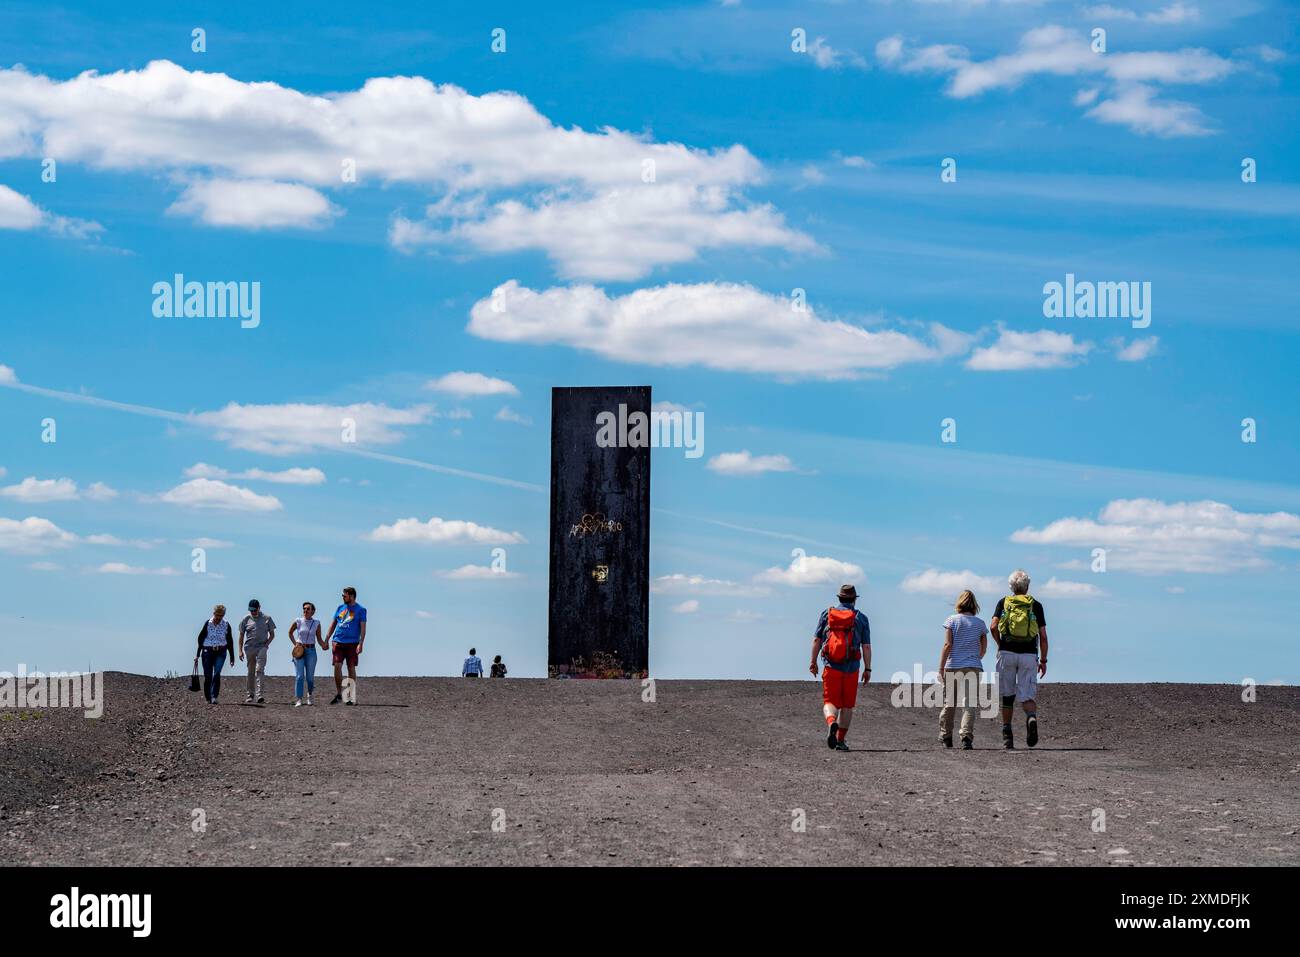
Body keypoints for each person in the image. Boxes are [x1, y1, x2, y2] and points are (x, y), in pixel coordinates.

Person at [990, 569, 1049, 750]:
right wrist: (1044, 660)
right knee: (1027, 694)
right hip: (1029, 655)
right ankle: (1031, 717)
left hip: (1007, 653)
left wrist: (1000, 644)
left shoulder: (1003, 603)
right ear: (1027, 586)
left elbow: (993, 627)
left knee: (1007, 695)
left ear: (1011, 586)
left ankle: (1007, 734)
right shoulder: (1035, 605)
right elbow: (1043, 636)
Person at [808, 584, 871, 751]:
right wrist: (868, 669)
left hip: (831, 665)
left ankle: (831, 722)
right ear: (854, 599)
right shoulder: (861, 618)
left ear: (839, 598)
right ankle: (840, 740)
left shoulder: (826, 614)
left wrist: (813, 662)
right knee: (847, 706)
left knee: (830, 702)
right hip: (852, 667)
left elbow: (817, 640)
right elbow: (866, 647)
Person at [937, 590, 988, 750]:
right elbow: (983, 648)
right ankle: (966, 737)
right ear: (974, 605)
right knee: (969, 704)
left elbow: (947, 645)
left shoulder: (951, 620)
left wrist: (941, 667)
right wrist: (976, 657)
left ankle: (946, 735)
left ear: (959, 603)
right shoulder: (980, 624)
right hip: (974, 666)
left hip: (953, 666)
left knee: (949, 703)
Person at [326, 586, 366, 705]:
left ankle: (349, 696)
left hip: (352, 643)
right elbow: (333, 624)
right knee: (337, 666)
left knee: (350, 667)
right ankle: (339, 693)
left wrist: (361, 643)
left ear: (351, 596)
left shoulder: (361, 610)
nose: (343, 597)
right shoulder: (340, 608)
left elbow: (363, 628)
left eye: (345, 595)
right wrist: (326, 639)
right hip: (338, 641)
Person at [288, 601, 328, 707]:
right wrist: (295, 645)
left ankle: (310, 695)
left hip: (311, 651)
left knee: (310, 677)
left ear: (313, 611)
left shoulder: (316, 623)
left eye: (308, 609)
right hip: (299, 651)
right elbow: (290, 632)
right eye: (304, 609)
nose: (305, 610)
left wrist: (324, 645)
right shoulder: (298, 621)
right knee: (299, 676)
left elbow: (319, 639)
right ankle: (299, 699)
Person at [194, 604, 235, 704]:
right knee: (208, 676)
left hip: (221, 651)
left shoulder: (226, 624)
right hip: (207, 651)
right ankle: (208, 697)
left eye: (221, 616)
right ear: (214, 614)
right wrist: (197, 654)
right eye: (217, 615)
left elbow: (230, 640)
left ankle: (214, 696)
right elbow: (200, 638)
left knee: (217, 673)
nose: (219, 618)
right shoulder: (208, 623)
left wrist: (232, 657)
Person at [238, 599, 276, 705]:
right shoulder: (246, 619)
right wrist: (240, 650)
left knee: (259, 669)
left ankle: (260, 695)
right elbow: (241, 635)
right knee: (251, 670)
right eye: (251, 610)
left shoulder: (267, 618)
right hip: (249, 648)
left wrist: (266, 645)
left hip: (262, 647)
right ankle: (250, 695)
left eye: (255, 610)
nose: (253, 612)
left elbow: (272, 634)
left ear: (259, 608)